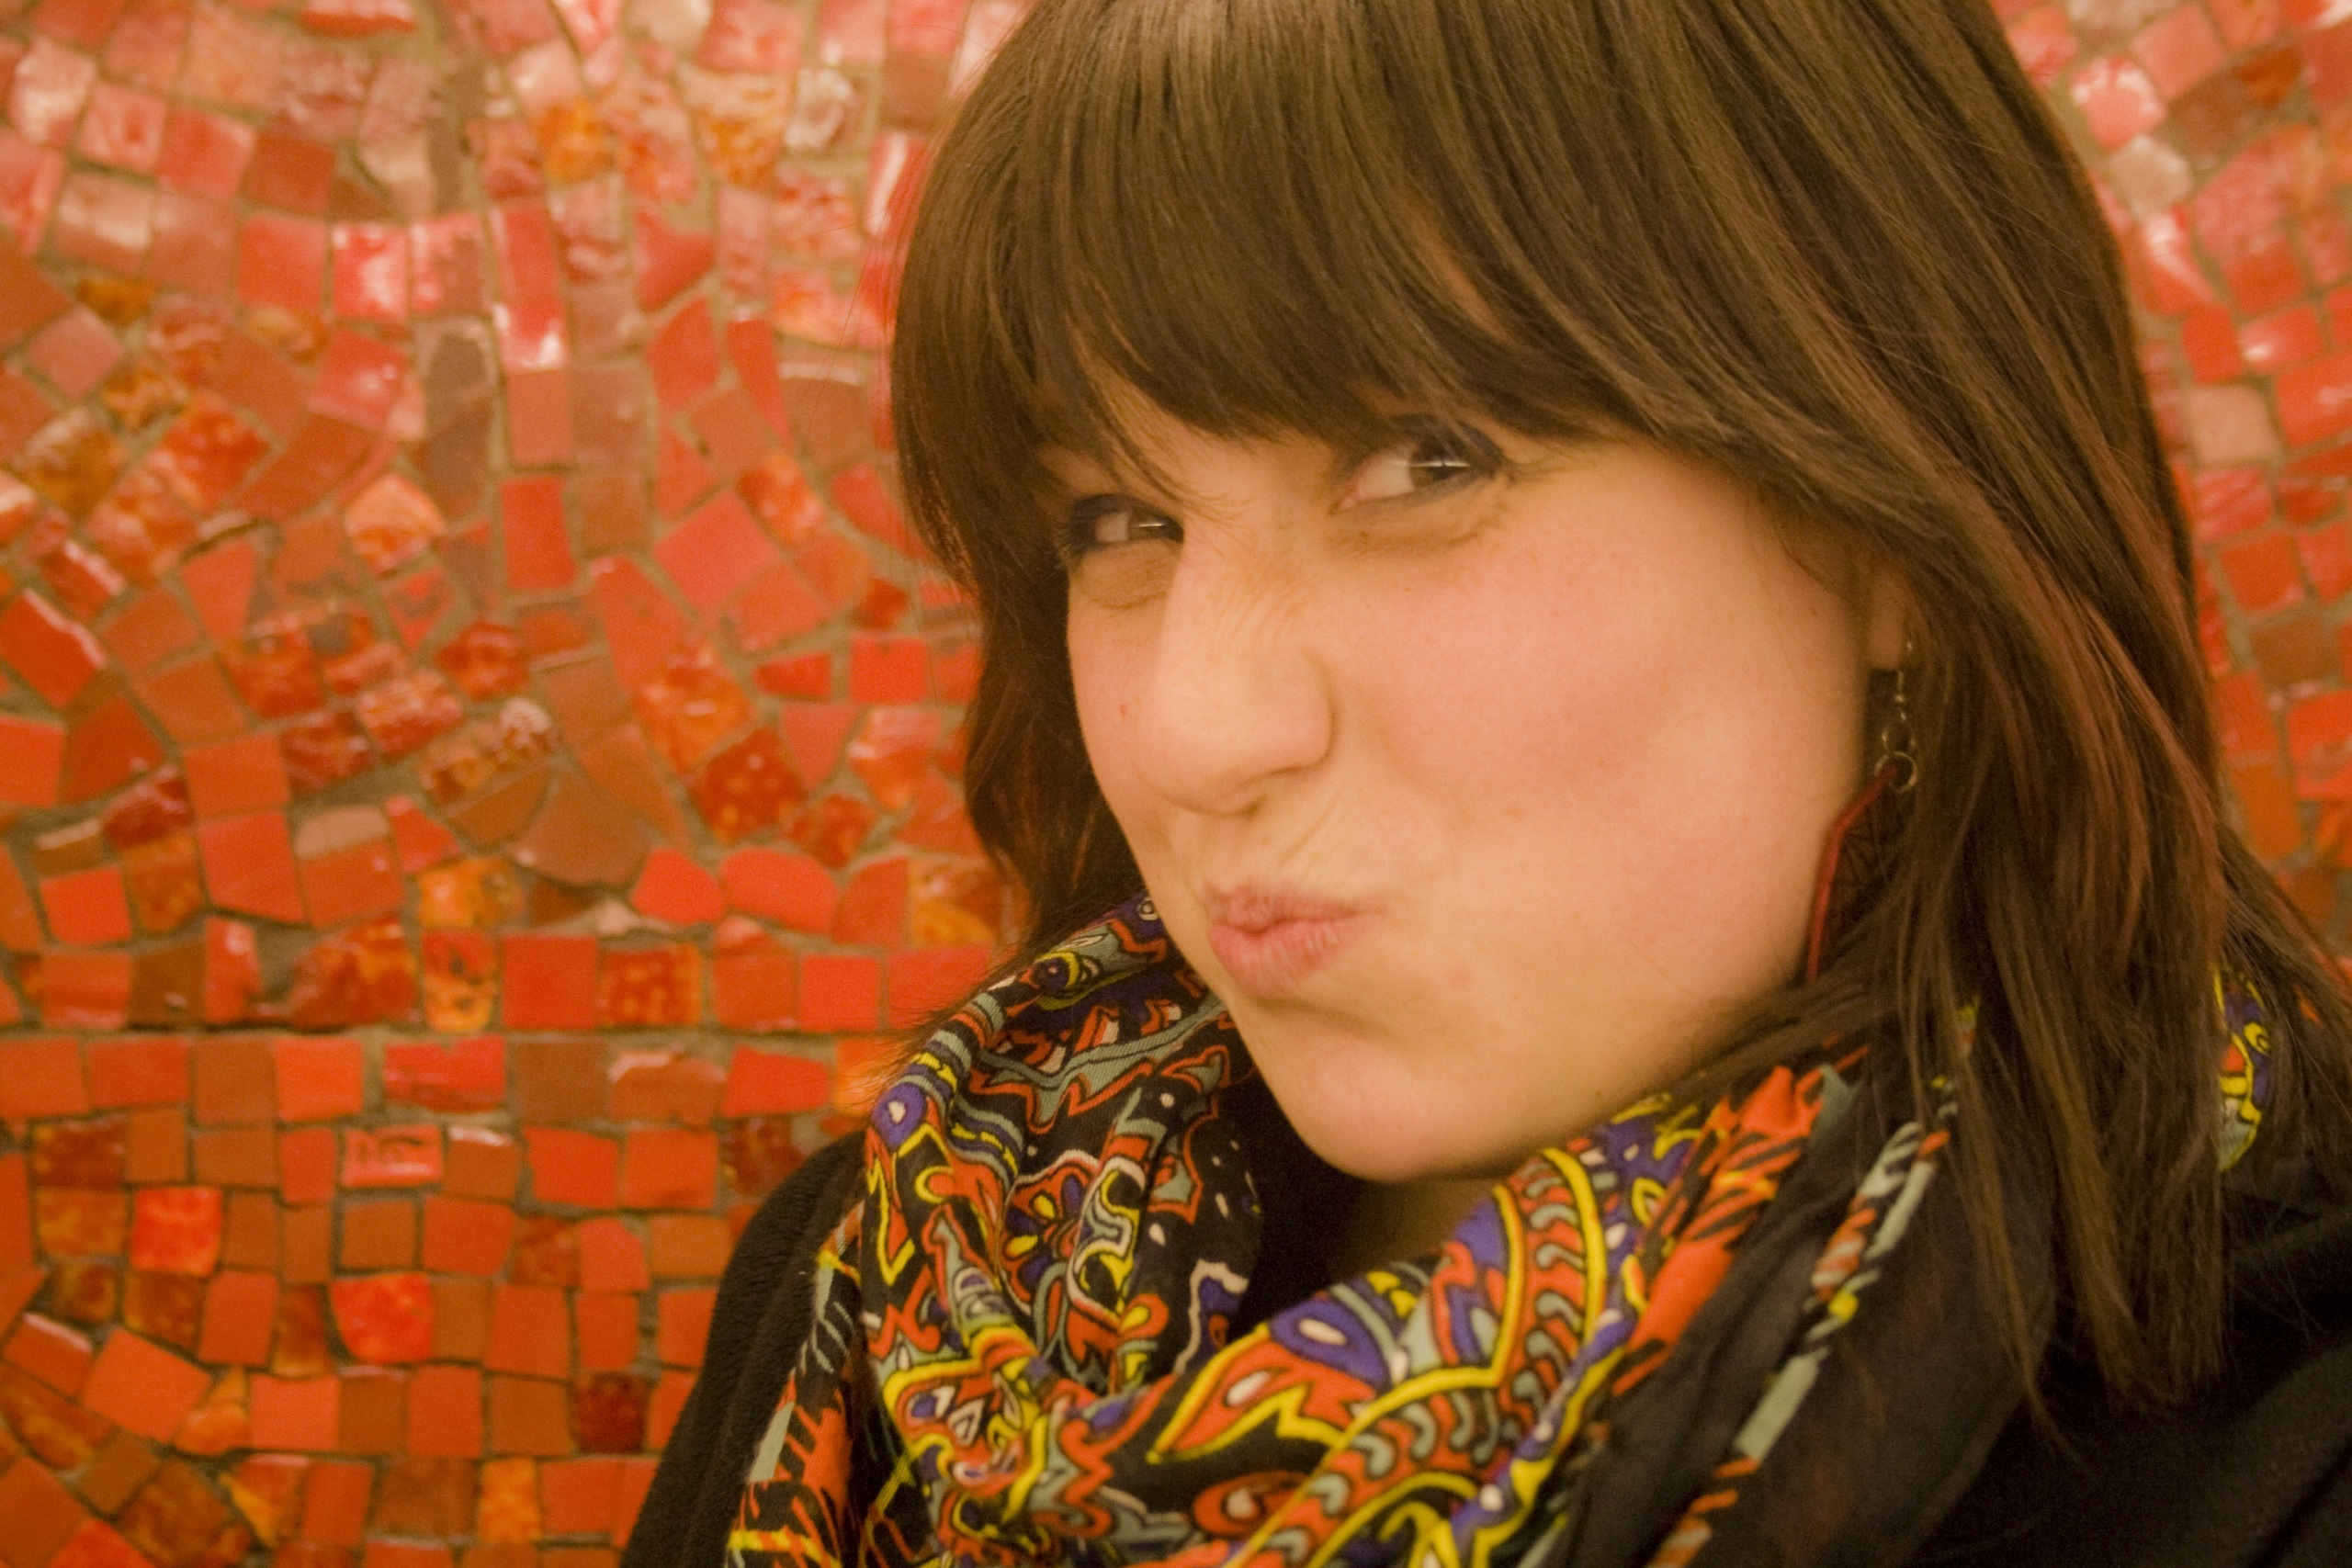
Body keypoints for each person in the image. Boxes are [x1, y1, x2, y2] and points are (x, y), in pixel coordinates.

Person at [624, 2, 2352, 1564]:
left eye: (1424, 461)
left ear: (1896, 520)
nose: (1197, 731)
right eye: (1119, 521)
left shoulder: (2276, 1449)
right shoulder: (901, 1297)